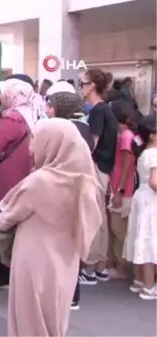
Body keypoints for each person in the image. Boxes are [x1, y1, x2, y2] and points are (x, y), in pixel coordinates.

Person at [0, 118, 101, 337]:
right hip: (66, 261)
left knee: (29, 318)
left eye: (35, 138)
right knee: (55, 317)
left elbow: (5, 217)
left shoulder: (40, 182)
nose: (31, 146)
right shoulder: (86, 180)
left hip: (34, 260)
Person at [0, 76, 34, 289]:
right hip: (26, 173)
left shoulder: (11, 119)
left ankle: (3, 273)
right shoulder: (32, 115)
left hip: (8, 175)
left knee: (4, 220)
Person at [46, 90, 92, 310]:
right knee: (72, 243)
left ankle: (65, 292)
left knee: (60, 245)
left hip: (62, 189)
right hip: (80, 189)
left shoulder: (60, 129)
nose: (47, 110)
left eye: (51, 105)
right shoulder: (83, 127)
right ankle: (73, 293)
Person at [79, 68, 118, 285]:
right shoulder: (107, 110)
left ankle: (91, 268)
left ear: (92, 85)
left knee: (93, 217)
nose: (81, 87)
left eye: (83, 83)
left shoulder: (97, 111)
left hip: (95, 167)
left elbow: (91, 144)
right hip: (105, 168)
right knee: (100, 217)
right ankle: (100, 266)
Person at [124, 115, 157, 300]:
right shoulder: (155, 154)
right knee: (151, 242)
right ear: (152, 135)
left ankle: (138, 281)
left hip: (141, 196)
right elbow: (155, 182)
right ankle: (149, 286)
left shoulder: (144, 152)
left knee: (140, 237)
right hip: (152, 199)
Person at [107, 100, 137, 280]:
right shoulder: (123, 134)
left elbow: (127, 163)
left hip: (122, 187)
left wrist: (120, 189)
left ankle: (121, 266)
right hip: (117, 184)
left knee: (119, 229)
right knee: (115, 226)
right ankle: (114, 262)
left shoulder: (126, 136)